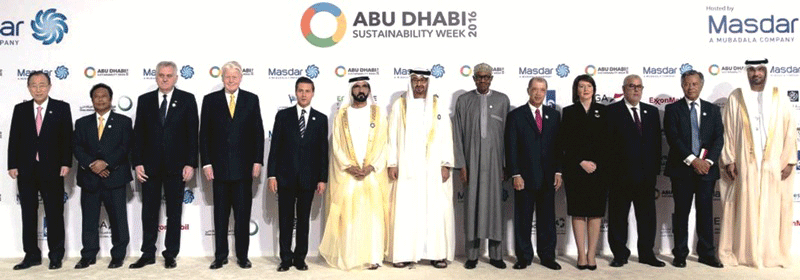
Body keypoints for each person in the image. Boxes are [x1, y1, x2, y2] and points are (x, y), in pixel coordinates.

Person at [718, 59, 796, 268]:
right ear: (747, 72)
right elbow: (728, 131)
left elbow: (790, 129)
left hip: (773, 163)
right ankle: (744, 253)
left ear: (766, 70)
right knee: (745, 207)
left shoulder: (780, 97)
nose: (756, 73)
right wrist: (729, 159)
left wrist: (789, 160)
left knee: (772, 207)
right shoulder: (736, 97)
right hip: (746, 163)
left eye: (760, 69)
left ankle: (770, 254)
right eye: (752, 69)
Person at [130, 61, 198, 269]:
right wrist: (138, 163)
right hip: (149, 167)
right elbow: (138, 134)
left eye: (169, 75)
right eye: (161, 75)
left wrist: (191, 163)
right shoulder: (145, 100)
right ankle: (148, 253)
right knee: (149, 211)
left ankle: (170, 254)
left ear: (176, 77)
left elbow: (192, 134)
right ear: (156, 77)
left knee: (174, 212)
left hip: (176, 167)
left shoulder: (187, 99)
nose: (165, 78)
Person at [386, 68, 455, 269]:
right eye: (415, 80)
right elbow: (391, 136)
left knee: (434, 210)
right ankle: (404, 253)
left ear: (428, 83)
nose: (419, 84)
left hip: (432, 168)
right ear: (410, 82)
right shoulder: (400, 106)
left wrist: (445, 163)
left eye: (423, 80)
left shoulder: (437, 105)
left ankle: (436, 253)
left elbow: (446, 136)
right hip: (407, 167)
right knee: (407, 211)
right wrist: (392, 163)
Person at [199, 61, 264, 269]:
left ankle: (243, 256)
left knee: (243, 217)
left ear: (241, 78)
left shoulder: (251, 100)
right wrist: (206, 163)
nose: (231, 80)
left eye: (234, 77)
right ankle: (220, 256)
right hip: (218, 170)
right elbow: (204, 135)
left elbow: (258, 133)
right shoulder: (210, 100)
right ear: (222, 78)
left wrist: (257, 161)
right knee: (220, 217)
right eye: (227, 77)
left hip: (244, 170)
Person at [319, 76, 388, 270]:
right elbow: (337, 145)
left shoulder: (378, 113)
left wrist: (371, 166)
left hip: (371, 173)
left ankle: (373, 256)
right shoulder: (342, 114)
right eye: (357, 86)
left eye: (364, 86)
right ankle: (349, 256)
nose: (360, 89)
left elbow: (384, 142)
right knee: (348, 217)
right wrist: (348, 165)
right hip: (348, 174)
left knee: (372, 215)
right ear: (351, 90)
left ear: (369, 90)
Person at [7, 71, 72, 270]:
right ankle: (31, 255)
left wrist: (66, 163)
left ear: (49, 86)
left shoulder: (61, 108)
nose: (38, 89)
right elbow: (14, 138)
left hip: (52, 169)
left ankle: (56, 255)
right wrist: (12, 164)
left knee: (54, 213)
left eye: (42, 85)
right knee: (28, 213)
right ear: (28, 87)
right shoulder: (20, 109)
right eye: (34, 85)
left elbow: (67, 138)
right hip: (26, 170)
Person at [663, 70, 724, 268]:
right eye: (687, 84)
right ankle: (680, 253)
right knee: (681, 212)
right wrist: (693, 160)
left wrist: (708, 162)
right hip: (682, 170)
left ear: (701, 85)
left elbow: (718, 138)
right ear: (682, 85)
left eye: (695, 84)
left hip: (707, 170)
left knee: (706, 212)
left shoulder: (713, 110)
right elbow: (673, 138)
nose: (691, 87)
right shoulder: (672, 109)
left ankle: (707, 253)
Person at [268, 76, 328, 272]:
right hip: (285, 178)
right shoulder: (283, 116)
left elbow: (322, 152)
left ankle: (300, 258)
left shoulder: (320, 119)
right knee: (285, 220)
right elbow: (274, 148)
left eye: (307, 91)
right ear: (295, 92)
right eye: (300, 90)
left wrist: (322, 178)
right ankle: (285, 258)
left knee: (303, 221)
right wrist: (272, 175)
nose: (304, 94)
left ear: (313, 93)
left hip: (308, 180)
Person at [452, 63, 509, 269]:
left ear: (492, 78)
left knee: (495, 208)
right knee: (472, 207)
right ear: (473, 78)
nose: (483, 80)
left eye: (486, 77)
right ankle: (472, 255)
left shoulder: (502, 100)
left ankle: (496, 255)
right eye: (479, 77)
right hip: (472, 163)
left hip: (495, 165)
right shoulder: (464, 101)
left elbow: (507, 137)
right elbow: (457, 134)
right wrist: (462, 165)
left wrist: (505, 165)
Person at [606, 75, 665, 268]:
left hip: (646, 177)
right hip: (619, 177)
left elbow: (657, 145)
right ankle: (619, 254)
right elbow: (606, 146)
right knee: (618, 218)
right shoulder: (612, 111)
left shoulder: (651, 111)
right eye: (632, 86)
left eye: (639, 87)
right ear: (623, 89)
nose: (636, 90)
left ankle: (647, 254)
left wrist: (654, 173)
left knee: (647, 218)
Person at [505, 77, 562, 271]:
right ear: (528, 90)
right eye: (535, 89)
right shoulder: (516, 116)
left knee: (547, 220)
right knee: (523, 220)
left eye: (542, 90)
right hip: (525, 178)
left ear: (546, 92)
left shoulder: (554, 116)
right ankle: (523, 256)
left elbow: (558, 147)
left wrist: (558, 172)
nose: (538, 93)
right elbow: (510, 147)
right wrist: (515, 174)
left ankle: (547, 256)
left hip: (547, 177)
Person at [73, 83, 132, 269]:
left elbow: (125, 147)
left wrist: (105, 163)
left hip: (114, 178)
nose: (100, 99)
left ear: (111, 99)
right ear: (92, 100)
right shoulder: (82, 123)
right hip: (90, 179)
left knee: (118, 220)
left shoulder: (124, 122)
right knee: (89, 220)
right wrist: (93, 164)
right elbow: (77, 148)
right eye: (96, 96)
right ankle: (88, 255)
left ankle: (118, 255)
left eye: (104, 96)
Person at [559, 74, 608, 270]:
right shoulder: (569, 112)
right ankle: (580, 254)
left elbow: (608, 142)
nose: (585, 90)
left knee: (595, 213)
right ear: (576, 90)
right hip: (576, 170)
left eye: (589, 86)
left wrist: (596, 163)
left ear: (594, 90)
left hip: (599, 170)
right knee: (578, 212)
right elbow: (565, 142)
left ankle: (591, 254)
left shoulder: (604, 112)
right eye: (581, 86)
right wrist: (581, 161)